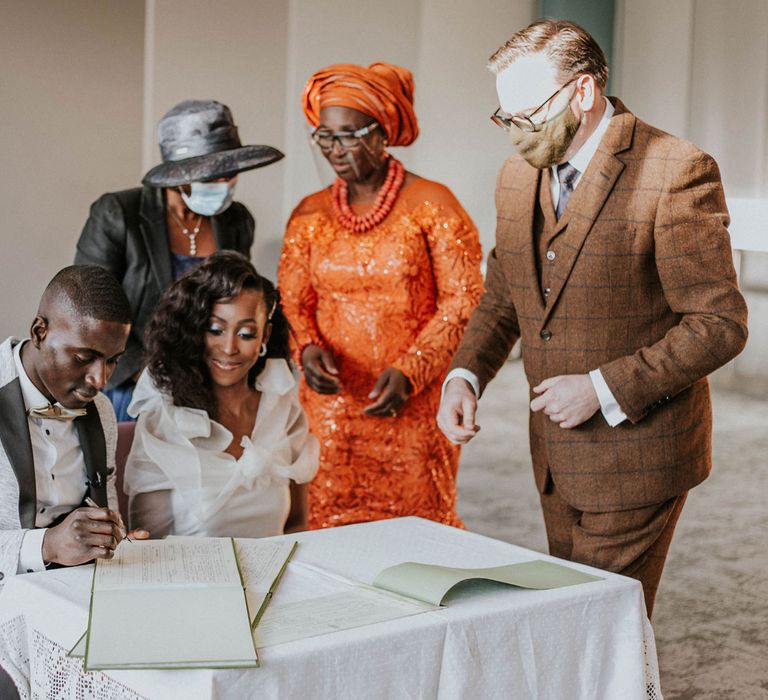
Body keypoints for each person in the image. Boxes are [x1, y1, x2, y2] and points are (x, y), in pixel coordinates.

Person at [437, 19, 748, 616]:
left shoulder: (676, 170)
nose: (515, 135)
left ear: (582, 92)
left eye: (527, 115)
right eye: (505, 118)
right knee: (575, 619)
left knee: (591, 620)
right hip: (554, 455)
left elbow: (719, 323)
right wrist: (465, 375)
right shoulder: (515, 174)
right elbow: (505, 292)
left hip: (641, 453)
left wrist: (603, 388)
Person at [279, 62, 483, 529]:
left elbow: (465, 299)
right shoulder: (309, 214)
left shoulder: (435, 204)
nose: (335, 150)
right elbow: (293, 300)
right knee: (327, 521)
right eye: (325, 137)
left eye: (349, 135)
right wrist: (306, 348)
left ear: (382, 131)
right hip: (332, 407)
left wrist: (412, 372)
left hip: (411, 402)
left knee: (418, 524)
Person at [75, 99, 284, 420]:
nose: (224, 184)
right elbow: (86, 309)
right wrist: (150, 376)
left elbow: (238, 300)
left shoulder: (237, 221)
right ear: (177, 173)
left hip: (206, 387)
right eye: (212, 175)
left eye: (229, 173)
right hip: (131, 388)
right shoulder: (119, 214)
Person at [123, 251, 318, 538]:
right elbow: (148, 546)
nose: (229, 348)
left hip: (276, 578)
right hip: (189, 579)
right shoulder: (165, 419)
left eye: (246, 333)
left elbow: (297, 528)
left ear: (264, 337)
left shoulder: (284, 410)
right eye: (216, 330)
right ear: (195, 330)